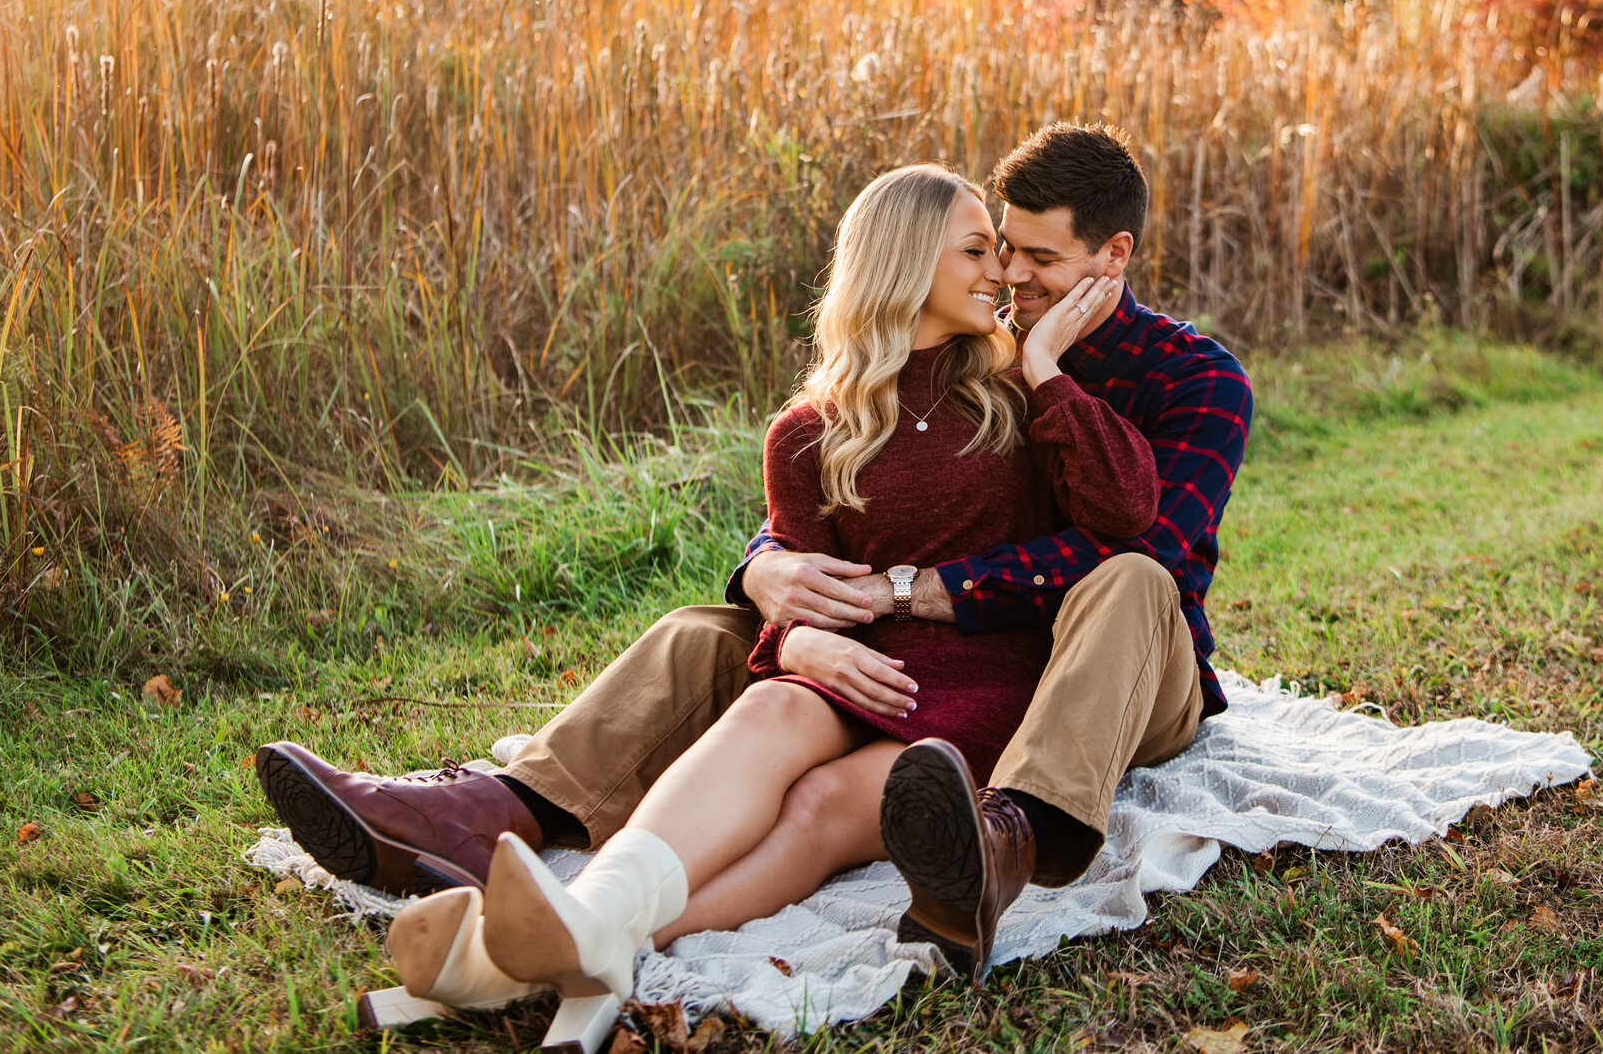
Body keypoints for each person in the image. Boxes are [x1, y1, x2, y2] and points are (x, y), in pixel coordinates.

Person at [255, 122, 1254, 980]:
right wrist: (770, 577)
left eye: (1031, 257)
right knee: (707, 634)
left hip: (1121, 662)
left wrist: (909, 582)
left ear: (1111, 257)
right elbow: (825, 502)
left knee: (1122, 582)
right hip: (911, 643)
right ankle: (501, 815)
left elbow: (1139, 543)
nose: (1009, 275)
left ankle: (1009, 830)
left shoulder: (1186, 379)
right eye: (997, 249)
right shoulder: (898, 386)